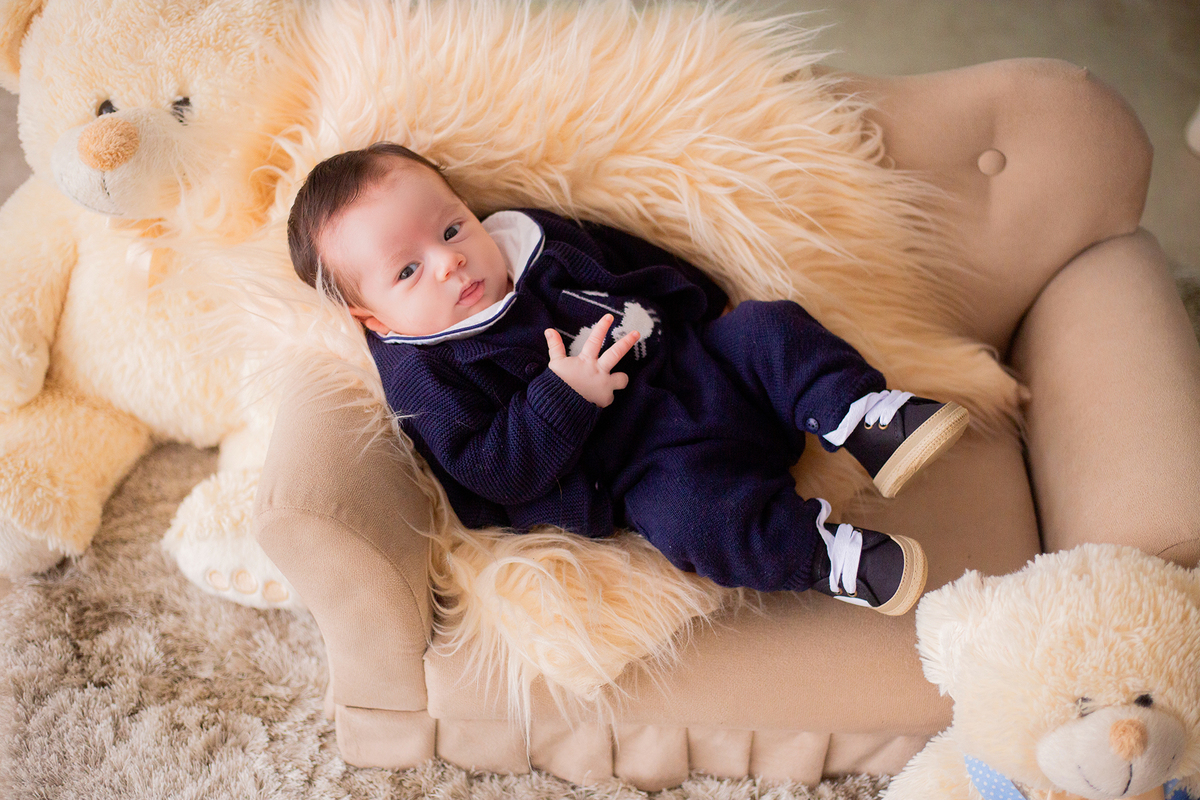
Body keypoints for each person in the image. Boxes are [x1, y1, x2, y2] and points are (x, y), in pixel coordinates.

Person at [286, 142, 970, 615]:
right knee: (693, 523)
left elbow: (629, 257)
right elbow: (487, 470)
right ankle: (823, 557)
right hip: (649, 466)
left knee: (768, 326)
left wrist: (701, 303)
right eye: (407, 270)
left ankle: (863, 418)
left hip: (705, 369)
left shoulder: (531, 240)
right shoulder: (425, 369)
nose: (448, 263)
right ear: (370, 317)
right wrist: (563, 397)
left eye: (452, 229)